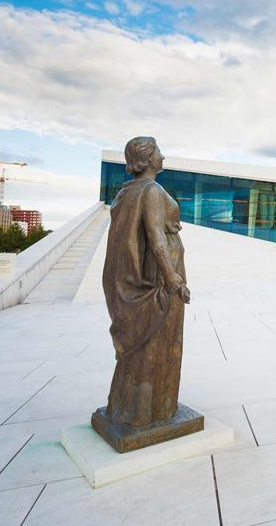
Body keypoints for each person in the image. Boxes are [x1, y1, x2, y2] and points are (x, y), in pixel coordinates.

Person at [101, 136, 191, 427]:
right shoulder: (151, 190)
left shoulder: (128, 191)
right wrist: (173, 279)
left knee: (148, 345)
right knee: (157, 341)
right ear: (148, 158)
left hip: (157, 273)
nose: (163, 157)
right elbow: (155, 237)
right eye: (159, 152)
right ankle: (152, 412)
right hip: (160, 279)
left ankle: (132, 409)